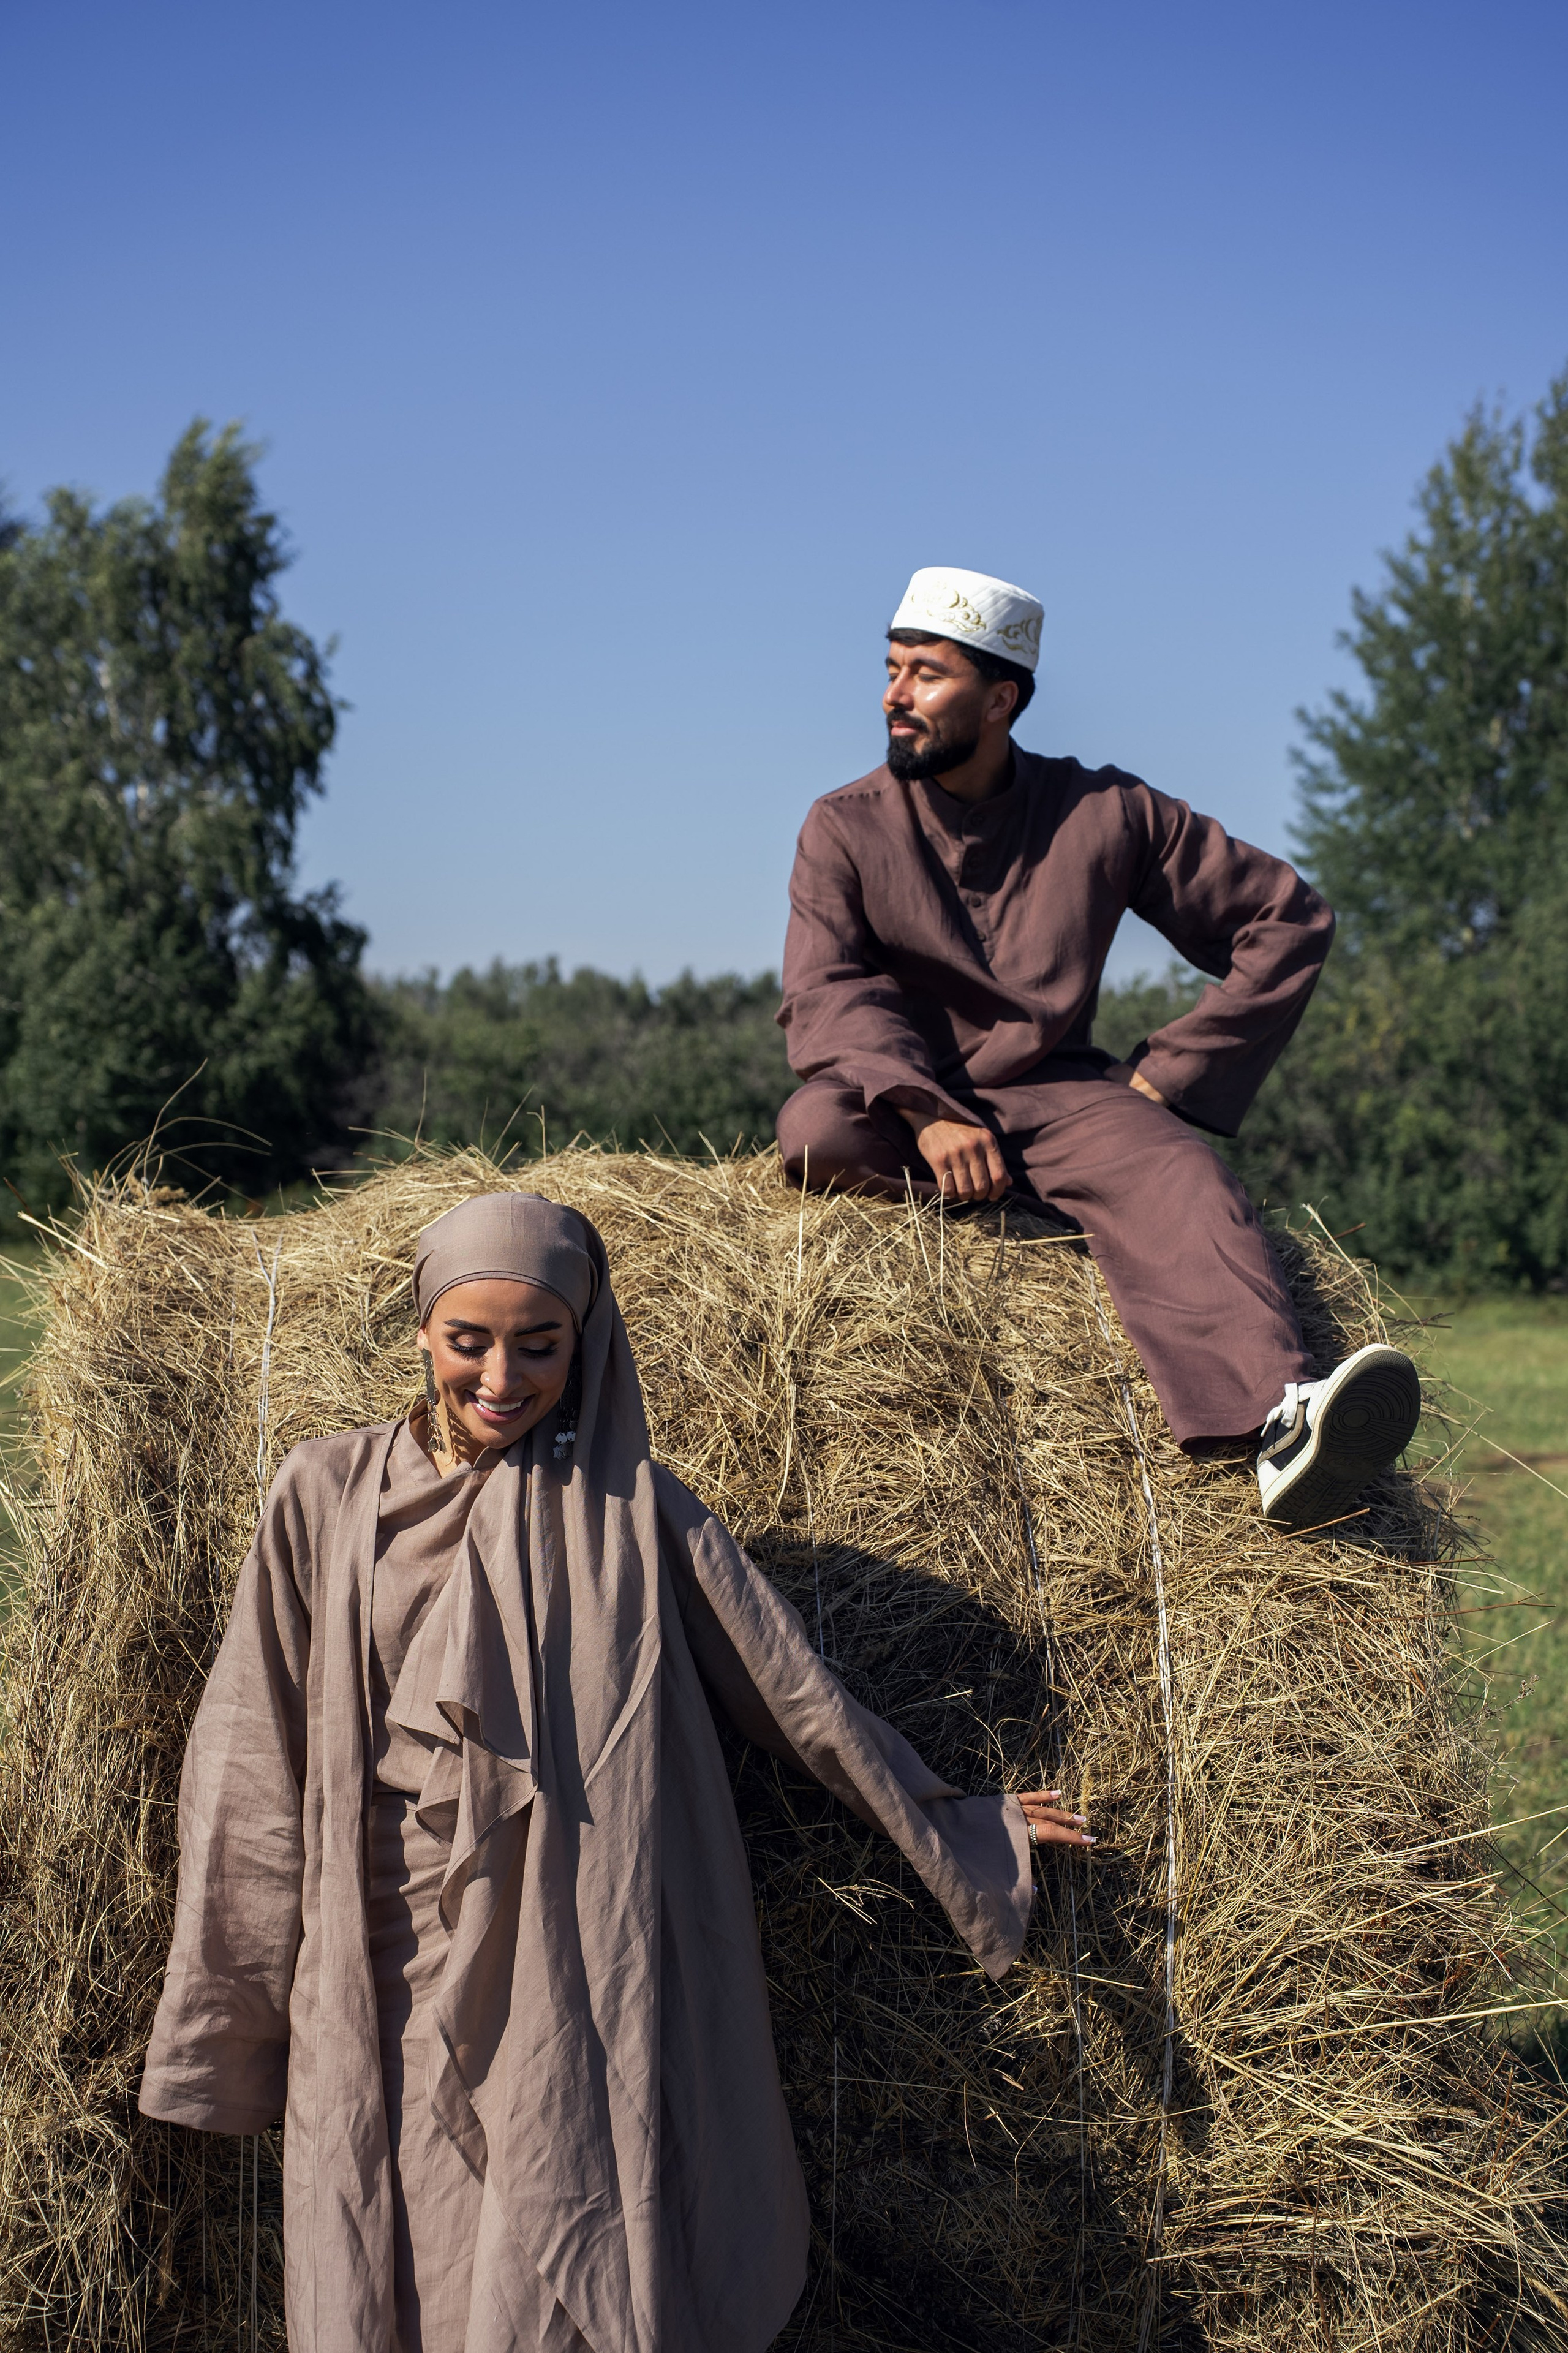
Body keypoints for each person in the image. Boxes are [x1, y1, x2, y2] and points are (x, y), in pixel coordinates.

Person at [138, 1191, 1090, 2352]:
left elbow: (793, 1693)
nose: (501, 1377)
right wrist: (229, 2020)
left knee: (549, 2249)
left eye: (539, 1345)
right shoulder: (322, 1493)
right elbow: (250, 1754)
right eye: (468, 1341)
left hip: (562, 1953)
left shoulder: (636, 1512)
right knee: (398, 2252)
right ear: (424, 1331)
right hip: (381, 1956)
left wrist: (956, 1823)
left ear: (585, 1341)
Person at [776, 564, 1420, 1537]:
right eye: (892, 668)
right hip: (902, 1108)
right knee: (818, 1126)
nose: (893, 697)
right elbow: (828, 987)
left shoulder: (1107, 811)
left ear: (1003, 700)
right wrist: (923, 1107)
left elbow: (1286, 920)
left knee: (1181, 1175)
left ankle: (1281, 1424)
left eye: (926, 676)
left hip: (1062, 1101)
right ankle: (999, 1205)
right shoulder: (843, 825)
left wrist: (1171, 1074)